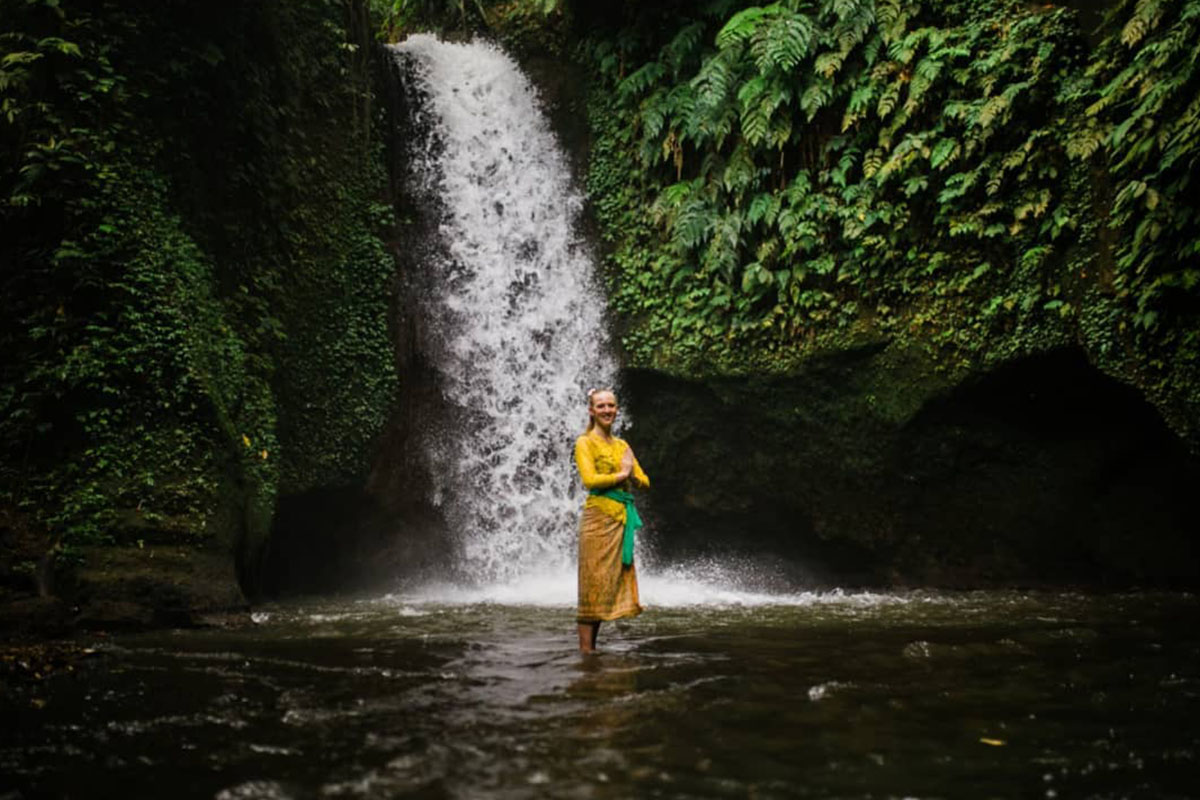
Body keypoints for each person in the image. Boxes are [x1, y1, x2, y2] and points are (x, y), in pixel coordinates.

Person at [573, 387, 649, 653]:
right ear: (591, 411)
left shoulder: (622, 446)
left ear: (617, 410)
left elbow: (644, 480)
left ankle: (591, 651)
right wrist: (622, 474)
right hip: (597, 520)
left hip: (620, 519)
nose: (607, 410)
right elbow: (589, 480)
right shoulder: (584, 442)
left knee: (606, 585)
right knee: (592, 584)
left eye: (611, 406)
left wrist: (632, 474)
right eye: (601, 406)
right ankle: (586, 651)